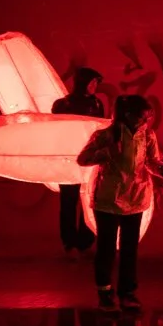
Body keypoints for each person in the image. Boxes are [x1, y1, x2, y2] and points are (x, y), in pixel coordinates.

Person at [77, 93, 163, 310]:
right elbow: (83, 159)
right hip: (108, 199)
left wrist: (162, 169)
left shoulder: (148, 136)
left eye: (147, 117)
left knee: (129, 248)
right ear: (127, 115)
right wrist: (106, 153)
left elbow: (151, 161)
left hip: (136, 198)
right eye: (142, 117)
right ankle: (105, 292)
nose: (145, 121)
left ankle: (127, 292)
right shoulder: (106, 135)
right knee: (106, 248)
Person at [51, 67, 104, 257]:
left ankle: (85, 240)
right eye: (92, 82)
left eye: (96, 82)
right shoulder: (62, 104)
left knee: (89, 199)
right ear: (82, 82)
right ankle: (69, 241)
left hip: (89, 158)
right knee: (68, 200)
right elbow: (56, 130)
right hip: (68, 159)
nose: (94, 86)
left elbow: (99, 130)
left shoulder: (97, 104)